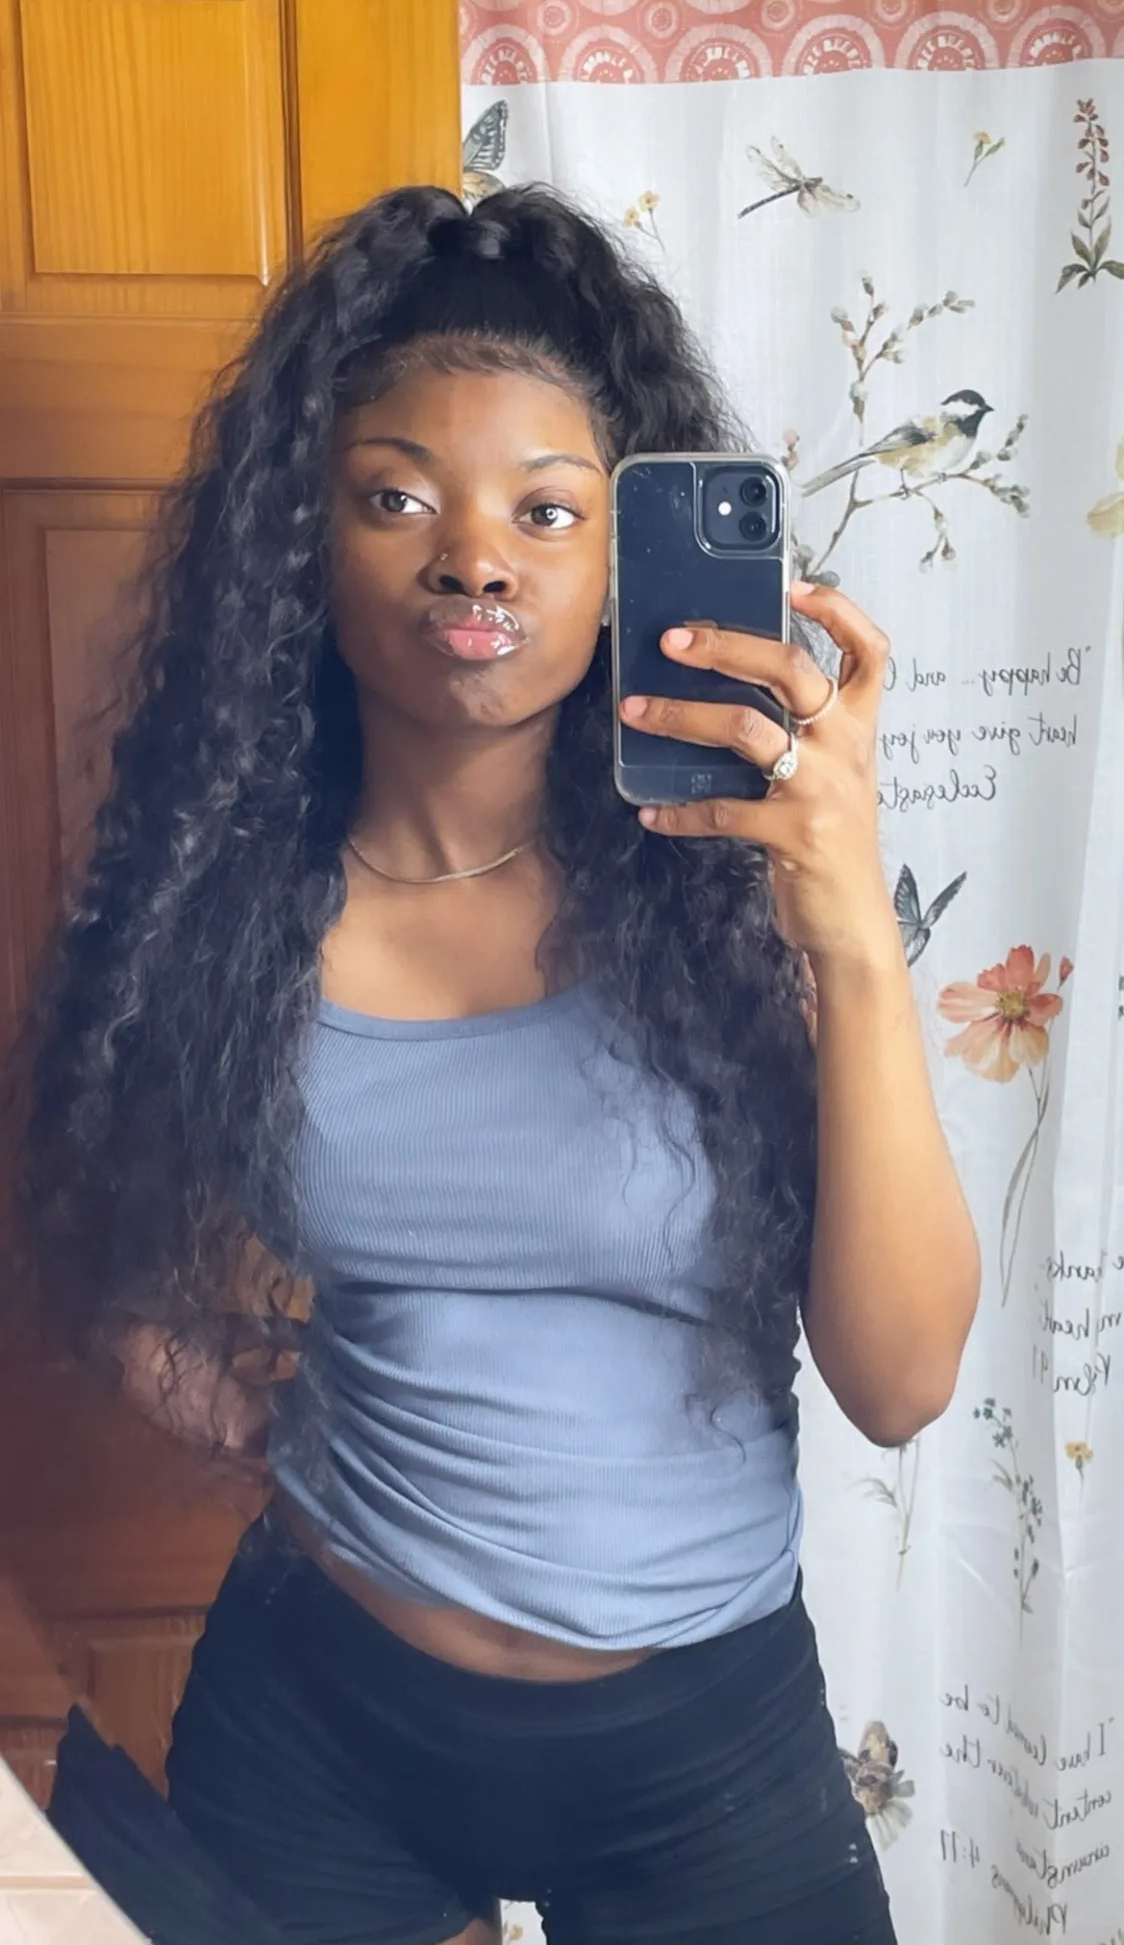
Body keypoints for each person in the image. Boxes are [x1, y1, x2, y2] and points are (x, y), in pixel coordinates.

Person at [14, 183, 980, 1945]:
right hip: (321, 1721)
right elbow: (89, 1208)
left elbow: (903, 1381)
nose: (475, 558)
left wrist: (852, 932)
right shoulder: (227, 903)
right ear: (304, 545)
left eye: (547, 510)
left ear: (617, 568)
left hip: (700, 1751)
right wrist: (236, 1401)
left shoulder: (742, 897)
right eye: (398, 497)